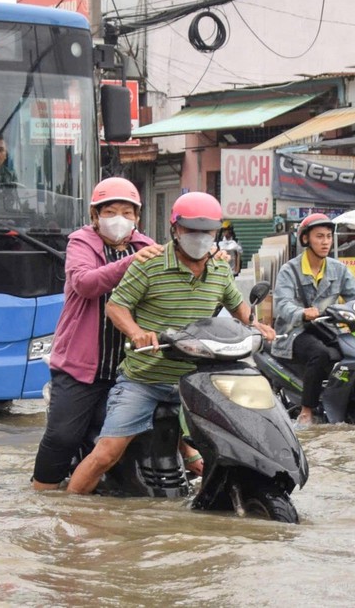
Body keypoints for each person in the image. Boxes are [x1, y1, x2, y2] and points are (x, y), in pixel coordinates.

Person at [65, 192, 276, 495]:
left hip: (197, 381)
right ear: (175, 229)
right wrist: (136, 332)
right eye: (191, 230)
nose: (200, 238)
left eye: (208, 232)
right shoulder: (148, 265)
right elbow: (116, 307)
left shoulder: (219, 270)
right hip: (144, 378)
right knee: (107, 453)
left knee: (234, 442)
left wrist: (256, 325)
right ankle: (67, 514)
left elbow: (238, 308)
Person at [31, 178, 164, 490]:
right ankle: (42, 493)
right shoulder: (82, 243)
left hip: (127, 367)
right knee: (63, 435)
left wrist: (214, 261)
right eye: (111, 211)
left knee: (143, 433)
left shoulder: (147, 248)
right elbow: (85, 283)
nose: (120, 218)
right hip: (80, 365)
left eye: (127, 213)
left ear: (137, 218)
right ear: (95, 216)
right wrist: (130, 263)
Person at [270, 213, 355, 427]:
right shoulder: (289, 270)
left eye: (329, 236)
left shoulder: (338, 269)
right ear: (306, 240)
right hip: (294, 332)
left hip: (327, 329)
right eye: (319, 236)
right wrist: (301, 313)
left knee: (352, 351)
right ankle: (306, 411)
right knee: (320, 354)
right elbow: (282, 304)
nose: (325, 242)